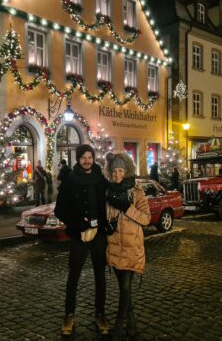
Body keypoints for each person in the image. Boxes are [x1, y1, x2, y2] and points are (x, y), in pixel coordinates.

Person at [54, 144, 110, 336]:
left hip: (99, 235)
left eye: (90, 157)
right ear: (78, 159)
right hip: (78, 236)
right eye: (83, 157)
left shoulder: (101, 179)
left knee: (100, 277)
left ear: (93, 158)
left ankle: (100, 314)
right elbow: (59, 210)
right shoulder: (70, 180)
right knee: (73, 277)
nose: (87, 160)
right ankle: (69, 315)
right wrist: (78, 223)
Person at [105, 152, 151, 341]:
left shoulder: (137, 192)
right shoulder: (108, 192)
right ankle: (131, 326)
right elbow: (105, 216)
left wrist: (126, 208)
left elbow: (146, 219)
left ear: (127, 171)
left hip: (132, 248)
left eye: (121, 171)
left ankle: (118, 325)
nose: (117, 175)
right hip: (115, 247)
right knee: (125, 290)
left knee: (125, 288)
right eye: (114, 171)